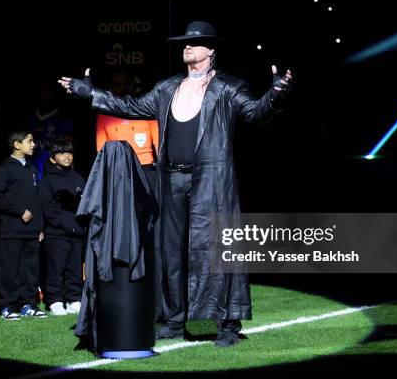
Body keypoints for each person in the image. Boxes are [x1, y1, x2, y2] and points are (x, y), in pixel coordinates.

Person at [58, 21, 293, 347]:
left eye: (194, 43)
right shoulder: (168, 88)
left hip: (210, 179)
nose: (186, 47)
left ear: (210, 50)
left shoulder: (227, 87)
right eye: (184, 43)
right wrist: (91, 93)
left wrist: (276, 95)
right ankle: (174, 320)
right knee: (171, 252)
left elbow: (255, 114)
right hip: (172, 179)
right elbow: (129, 107)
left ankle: (227, 325)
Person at [0, 129, 47, 320]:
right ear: (17, 145)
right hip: (11, 230)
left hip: (31, 232)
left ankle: (28, 304)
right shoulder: (5, 168)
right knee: (10, 270)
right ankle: (7, 306)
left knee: (30, 270)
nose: (33, 145)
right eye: (29, 141)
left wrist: (40, 227)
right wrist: (19, 211)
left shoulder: (32, 168)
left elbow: (37, 201)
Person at [38, 138, 86, 316]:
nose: (67, 155)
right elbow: (47, 209)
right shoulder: (47, 180)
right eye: (61, 152)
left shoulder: (78, 177)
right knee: (56, 268)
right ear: (52, 158)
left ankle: (74, 298)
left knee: (74, 268)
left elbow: (85, 204)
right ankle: (55, 301)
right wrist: (66, 225)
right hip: (57, 233)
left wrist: (79, 226)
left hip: (77, 233)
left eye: (69, 152)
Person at [96, 71, 159, 191]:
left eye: (126, 83)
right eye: (117, 84)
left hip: (146, 169)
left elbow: (159, 146)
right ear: (111, 87)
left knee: (150, 209)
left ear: (132, 85)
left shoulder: (147, 111)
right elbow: (100, 152)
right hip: (118, 171)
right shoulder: (103, 115)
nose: (122, 88)